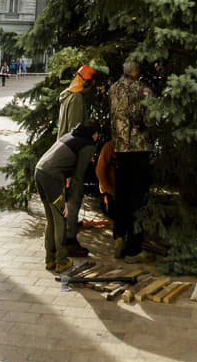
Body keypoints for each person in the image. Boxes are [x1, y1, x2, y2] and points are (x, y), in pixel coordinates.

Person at [34, 122, 101, 274]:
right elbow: (78, 175)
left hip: (39, 171)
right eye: (97, 133)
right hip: (52, 178)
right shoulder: (88, 144)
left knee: (51, 219)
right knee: (60, 220)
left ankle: (50, 259)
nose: (98, 136)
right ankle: (62, 261)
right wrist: (70, 198)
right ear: (93, 134)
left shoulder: (70, 136)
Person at [109, 59, 153, 262]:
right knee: (137, 197)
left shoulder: (113, 89)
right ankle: (135, 249)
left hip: (120, 148)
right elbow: (150, 119)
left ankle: (118, 238)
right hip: (139, 149)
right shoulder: (143, 90)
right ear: (136, 71)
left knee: (122, 194)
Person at [56, 64, 97, 257]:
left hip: (63, 150)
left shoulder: (67, 95)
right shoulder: (77, 99)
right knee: (74, 194)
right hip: (73, 154)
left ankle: (66, 233)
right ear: (86, 82)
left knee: (69, 196)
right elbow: (74, 132)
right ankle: (69, 240)